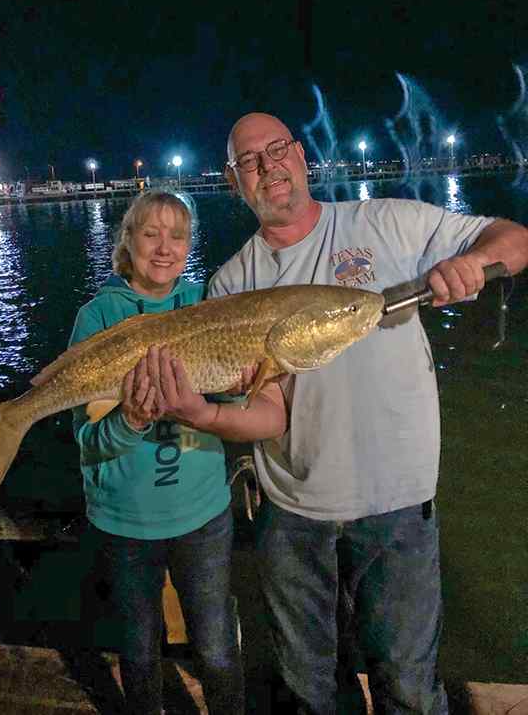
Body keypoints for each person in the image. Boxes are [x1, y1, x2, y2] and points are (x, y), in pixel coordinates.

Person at [137, 114, 528, 714]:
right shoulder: (231, 283)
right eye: (249, 160)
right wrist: (199, 413)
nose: (268, 167)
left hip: (398, 510)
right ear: (232, 179)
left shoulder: (386, 222)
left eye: (277, 150)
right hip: (293, 519)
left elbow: (515, 238)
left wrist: (473, 264)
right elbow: (269, 412)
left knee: (408, 687)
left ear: (301, 155)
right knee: (311, 690)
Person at [68, 190, 286, 715]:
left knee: (215, 648)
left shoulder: (208, 307)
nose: (165, 248)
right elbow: (90, 444)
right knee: (139, 653)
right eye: (151, 234)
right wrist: (133, 420)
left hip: (203, 518)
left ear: (190, 245)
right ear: (128, 242)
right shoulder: (97, 318)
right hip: (125, 524)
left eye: (178, 235)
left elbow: (240, 403)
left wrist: (246, 383)